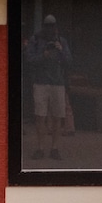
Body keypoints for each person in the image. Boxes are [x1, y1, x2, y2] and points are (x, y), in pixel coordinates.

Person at [25, 14, 71, 160]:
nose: (50, 29)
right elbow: (29, 60)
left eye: (52, 26)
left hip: (57, 82)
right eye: (48, 26)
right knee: (40, 116)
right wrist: (43, 55)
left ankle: (55, 148)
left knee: (57, 116)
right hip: (41, 82)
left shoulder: (61, 41)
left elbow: (69, 61)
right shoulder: (36, 40)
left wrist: (60, 49)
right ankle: (40, 147)